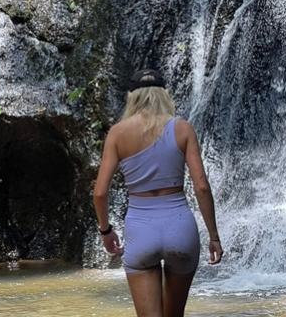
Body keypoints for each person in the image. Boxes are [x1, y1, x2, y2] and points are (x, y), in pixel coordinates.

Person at [93, 68, 223, 317]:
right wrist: (214, 236)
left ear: (132, 97)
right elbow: (202, 186)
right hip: (180, 228)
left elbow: (100, 193)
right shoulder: (182, 128)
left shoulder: (118, 133)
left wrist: (106, 230)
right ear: (164, 95)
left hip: (141, 230)